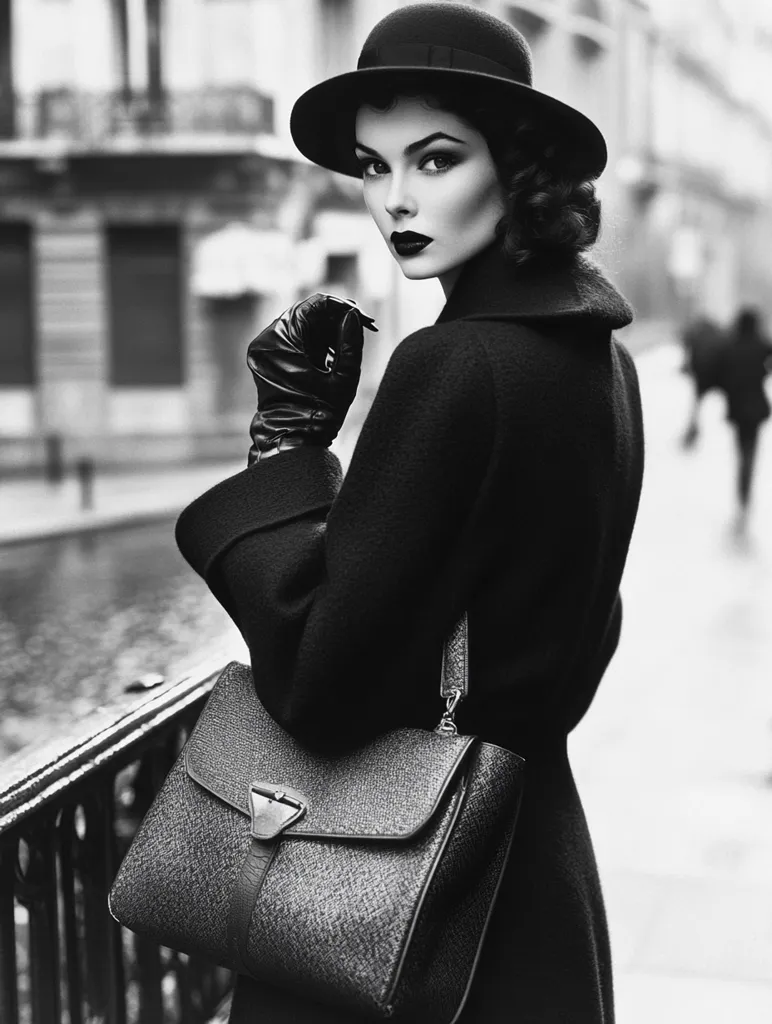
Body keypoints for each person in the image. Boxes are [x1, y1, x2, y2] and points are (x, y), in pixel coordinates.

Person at [175, 4, 644, 1022]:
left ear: (516, 166)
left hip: (403, 893)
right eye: (372, 165)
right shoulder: (604, 363)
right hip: (533, 880)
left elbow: (319, 684)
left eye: (435, 160)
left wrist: (285, 453)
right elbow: (580, 628)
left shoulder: (454, 364)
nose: (395, 199)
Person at [716, 306, 772, 529]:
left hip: (737, 407)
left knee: (741, 448)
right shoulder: (761, 344)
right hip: (756, 407)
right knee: (751, 449)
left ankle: (742, 489)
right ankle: (745, 489)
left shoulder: (730, 346)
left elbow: (719, 374)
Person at [679, 314, 726, 448]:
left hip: (701, 376)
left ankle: (692, 433)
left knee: (696, 407)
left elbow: (689, 351)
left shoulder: (696, 336)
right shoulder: (718, 336)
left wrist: (688, 367)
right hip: (716, 375)